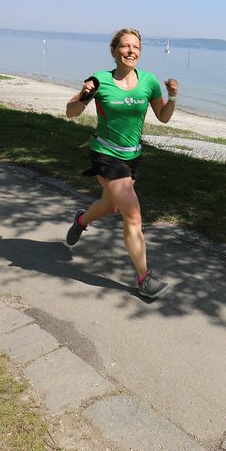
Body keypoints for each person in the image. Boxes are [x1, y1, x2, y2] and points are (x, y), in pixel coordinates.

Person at [64, 28, 179, 299]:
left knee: (110, 205)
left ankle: (81, 220)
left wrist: (172, 96)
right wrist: (83, 96)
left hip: (133, 155)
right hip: (105, 154)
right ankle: (144, 278)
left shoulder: (148, 81)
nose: (131, 51)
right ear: (114, 50)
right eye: (125, 46)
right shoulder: (99, 80)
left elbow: (163, 117)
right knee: (133, 215)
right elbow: (70, 113)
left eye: (136, 47)